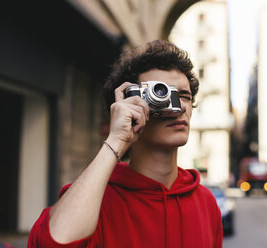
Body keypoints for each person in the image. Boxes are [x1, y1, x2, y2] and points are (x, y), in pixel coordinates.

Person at [28, 40, 223, 247]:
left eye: (184, 96)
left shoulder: (206, 201)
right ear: (127, 104)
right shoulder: (94, 198)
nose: (179, 107)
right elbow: (50, 243)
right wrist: (116, 140)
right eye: (161, 93)